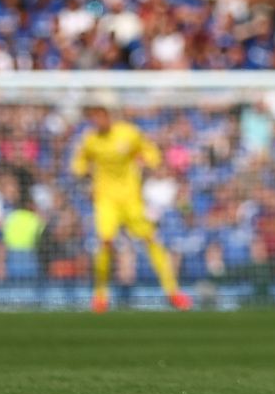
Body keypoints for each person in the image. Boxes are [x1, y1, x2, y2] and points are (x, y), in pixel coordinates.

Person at [71, 98, 191, 312]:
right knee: (105, 241)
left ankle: (173, 292)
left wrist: (149, 160)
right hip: (106, 200)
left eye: (100, 114)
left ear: (108, 115)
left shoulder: (128, 133)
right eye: (93, 116)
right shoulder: (90, 140)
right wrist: (84, 174)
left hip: (131, 199)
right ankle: (100, 296)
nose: (97, 120)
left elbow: (150, 151)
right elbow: (78, 164)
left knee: (151, 239)